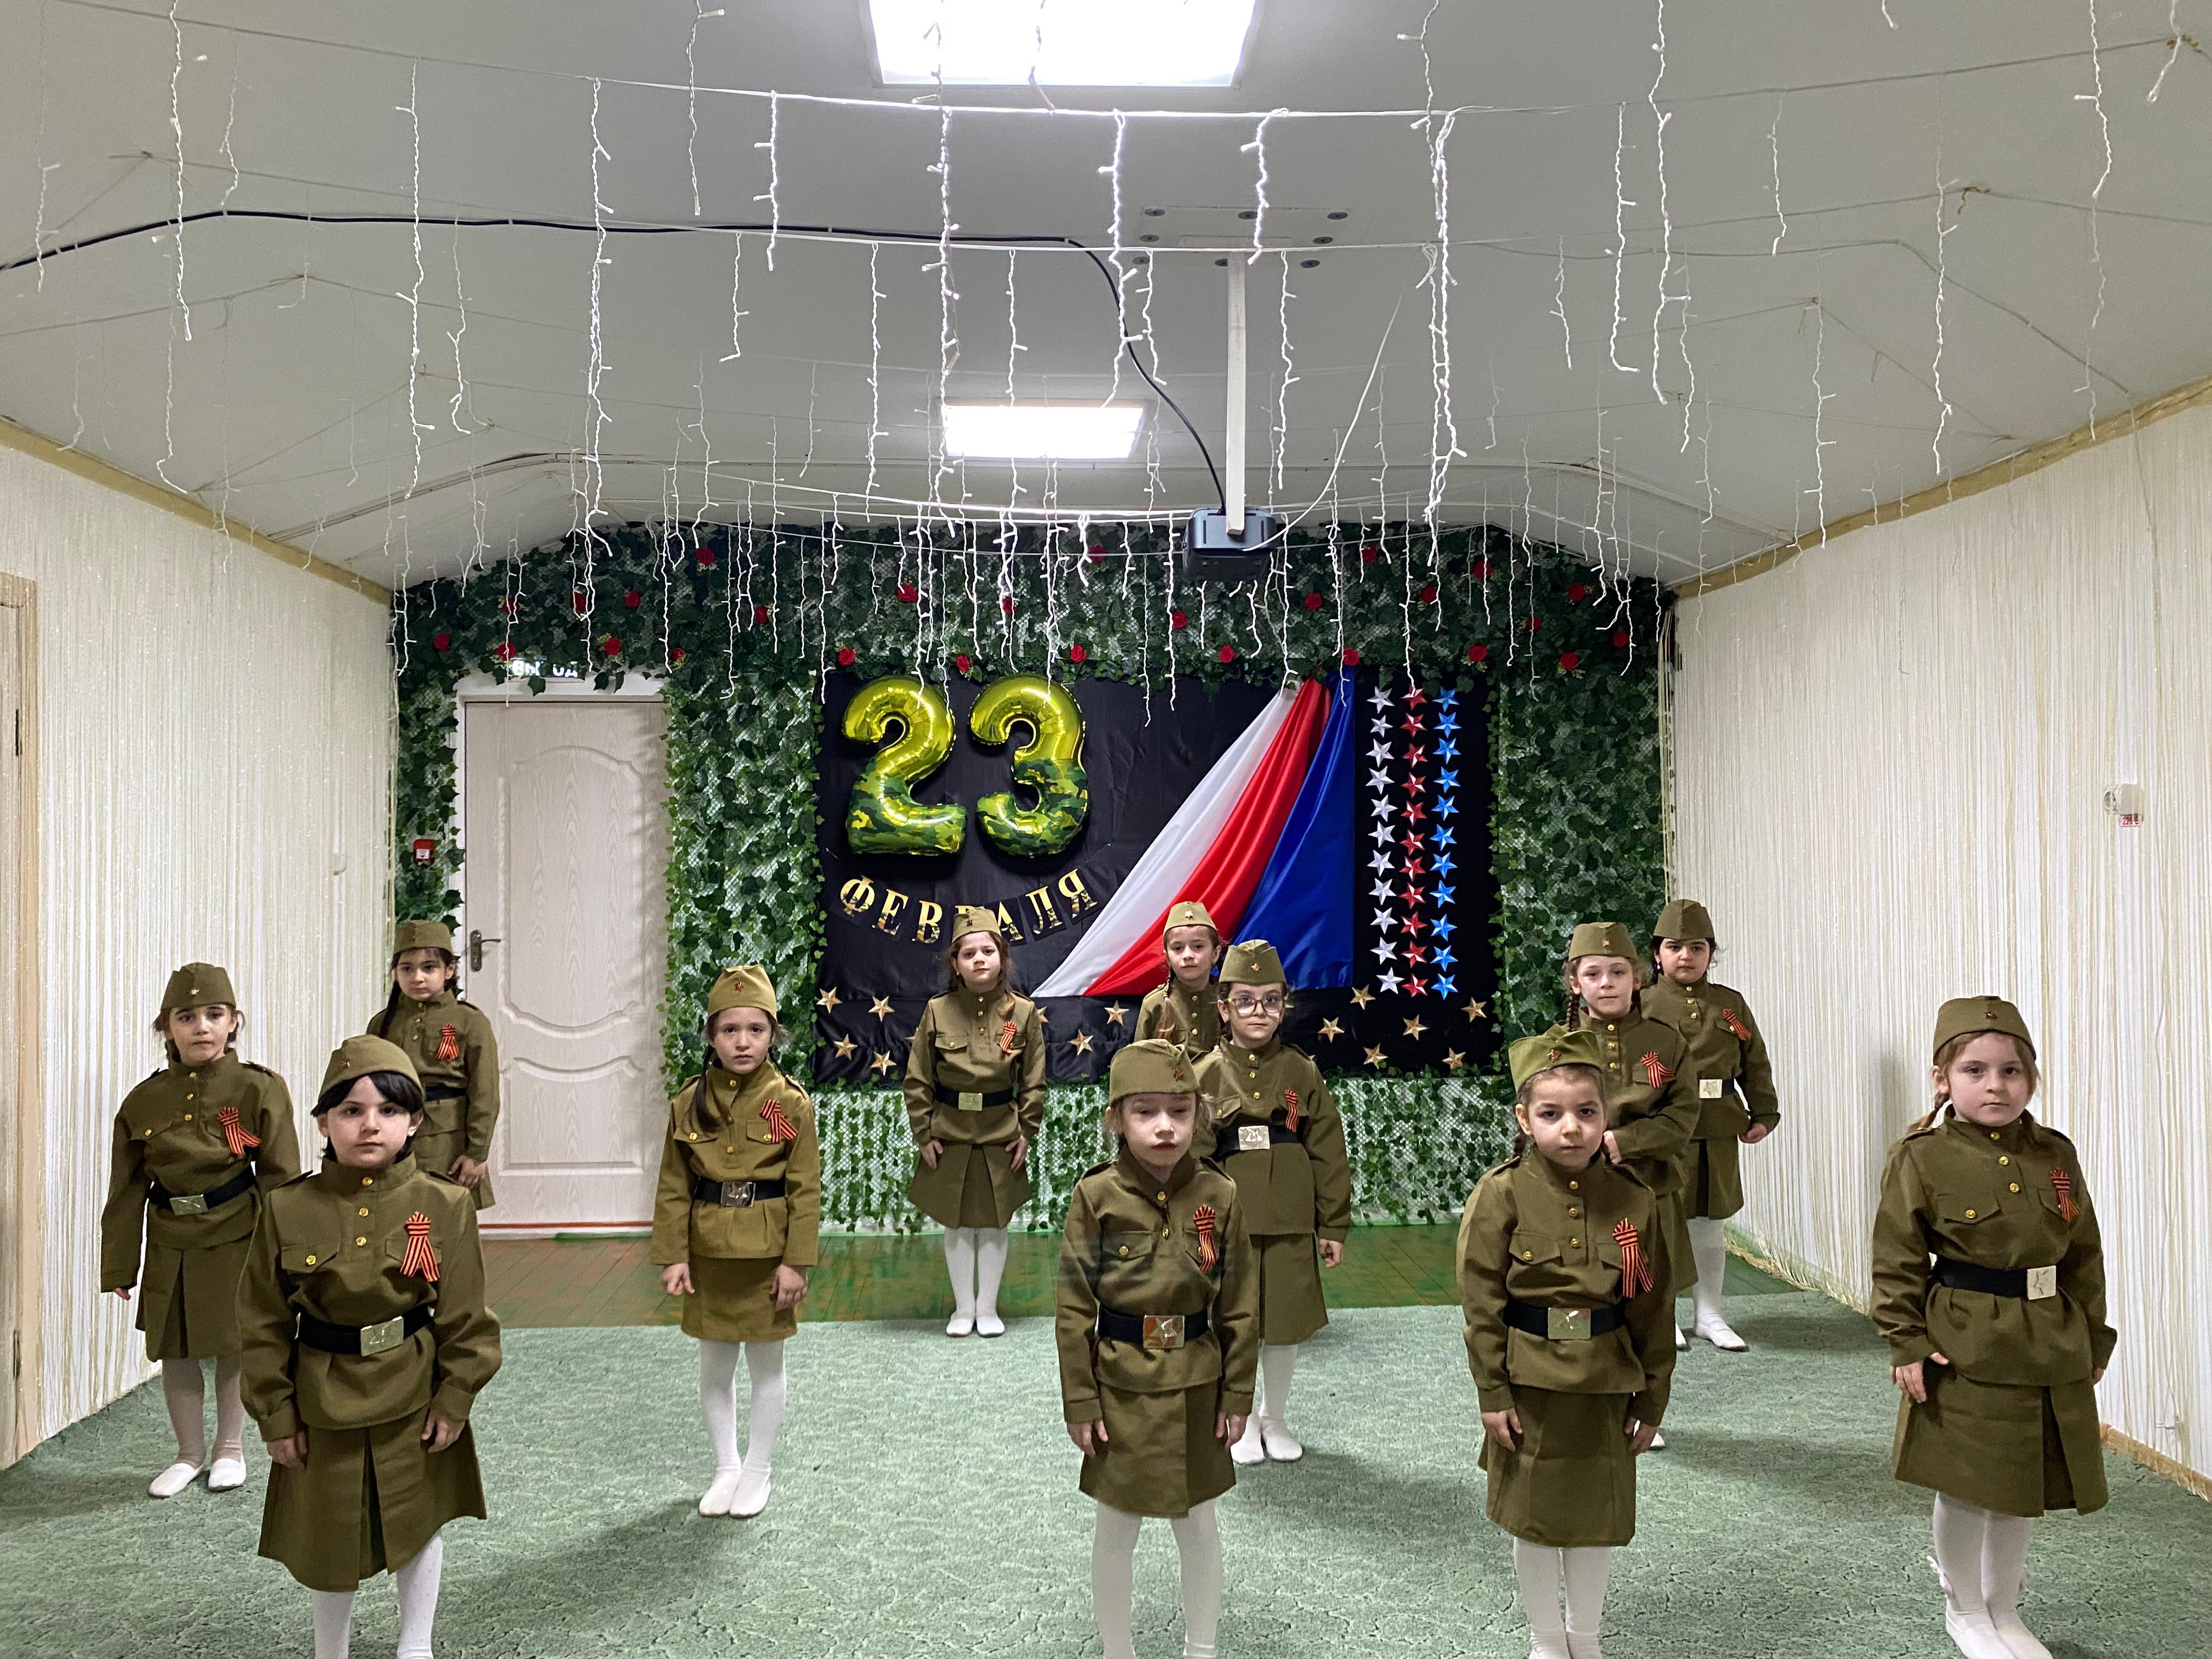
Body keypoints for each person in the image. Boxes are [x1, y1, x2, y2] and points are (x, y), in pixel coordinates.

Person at [238, 1036, 501, 1659]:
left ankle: (416, 1646)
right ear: (323, 1122)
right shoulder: (287, 1207)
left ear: (415, 1123)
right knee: (328, 1535)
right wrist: (275, 1414)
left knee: (418, 1518)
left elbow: (466, 1318)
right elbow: (261, 1321)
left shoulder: (444, 1204)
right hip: (320, 1398)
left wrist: (455, 1400)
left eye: (389, 1110)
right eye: (351, 1110)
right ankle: (330, 1651)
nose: (370, 1125)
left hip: (413, 1390)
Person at [1871, 996, 2114, 1659]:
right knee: (1968, 1481)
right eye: (1974, 1071)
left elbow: (2084, 1253)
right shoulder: (1921, 1157)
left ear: (2031, 1078)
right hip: (1963, 1340)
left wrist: (2094, 1335)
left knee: (2020, 1481)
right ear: (1942, 1079)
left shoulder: (2055, 1153)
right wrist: (1906, 1340)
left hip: (2049, 1337)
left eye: (2011, 1071)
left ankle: (2003, 1607)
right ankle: (1965, 1610)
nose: (1995, 1086)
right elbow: (1895, 1259)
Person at [1459, 1030, 1675, 1659]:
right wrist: (1492, 1391)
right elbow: (1481, 1305)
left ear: (1607, 1115)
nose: (1572, 1128)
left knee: (1595, 1521)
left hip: (1605, 1381)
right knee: (1533, 1519)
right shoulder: (1501, 1193)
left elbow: (1653, 1308)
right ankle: (1547, 1640)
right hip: (1529, 1383)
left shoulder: (1633, 1198)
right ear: (1524, 1119)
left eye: (1587, 1111)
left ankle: (1586, 1638)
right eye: (1551, 1114)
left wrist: (1653, 1398)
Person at [1057, 1039, 1259, 1659]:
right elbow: (1073, 1309)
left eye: (1180, 1110)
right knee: (1116, 1528)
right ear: (1116, 1119)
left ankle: (1202, 1649)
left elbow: (1241, 1305)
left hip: (1198, 1386)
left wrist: (1238, 1395)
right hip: (1121, 1391)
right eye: (1145, 1112)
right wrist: (1081, 1401)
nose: (1165, 1126)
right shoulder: (1097, 1197)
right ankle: (1118, 1651)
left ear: (1200, 1115)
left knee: (1198, 1526)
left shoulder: (1220, 1195)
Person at [100, 962, 300, 1497]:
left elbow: (280, 1177)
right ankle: (188, 1455)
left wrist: (288, 1253)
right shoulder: (143, 1101)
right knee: (177, 1347)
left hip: (238, 1232)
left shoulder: (257, 1088)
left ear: (234, 1021)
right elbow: (126, 1190)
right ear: (166, 1027)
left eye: (214, 1014)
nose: (201, 1027)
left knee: (234, 1343)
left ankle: (230, 1449)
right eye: (186, 1017)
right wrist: (120, 1264)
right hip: (171, 1237)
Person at [651, 965, 820, 1517]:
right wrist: (673, 1255)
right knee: (715, 1367)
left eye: (755, 1029)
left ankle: (758, 1470)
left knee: (766, 1366)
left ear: (773, 1034)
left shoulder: (785, 1103)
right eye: (729, 1030)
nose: (742, 1042)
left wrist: (797, 1263)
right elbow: (674, 1185)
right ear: (710, 1036)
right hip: (708, 1255)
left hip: (768, 1258)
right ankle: (726, 1467)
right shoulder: (690, 1102)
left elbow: (805, 1187)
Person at [1192, 939, 1350, 1464]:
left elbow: (1327, 1150)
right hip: (1227, 1218)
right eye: (1245, 1001)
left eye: (1270, 1001)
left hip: (1289, 1216)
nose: (1258, 1012)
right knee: (1232, 1320)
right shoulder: (1205, 1072)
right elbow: (1192, 1154)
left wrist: (1333, 1224)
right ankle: (1236, 1418)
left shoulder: (1301, 1071)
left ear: (1284, 1006)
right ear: (1224, 1009)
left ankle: (1274, 1417)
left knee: (1284, 1323)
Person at [1543, 921, 1701, 1367]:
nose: (1607, 983)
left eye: (1618, 972)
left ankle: (1647, 1389)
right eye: (1593, 974)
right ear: (1575, 983)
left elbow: (1683, 1117)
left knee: (1650, 1300)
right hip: (1579, 1191)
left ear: (1639, 977)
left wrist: (1625, 1141)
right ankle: (1576, 1377)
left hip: (1650, 1187)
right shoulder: (1555, 1046)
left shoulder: (1666, 1042)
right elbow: (1540, 1115)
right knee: (1581, 1290)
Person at [1639, 900, 1781, 1350]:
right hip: (1663, 1127)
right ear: (1657, 953)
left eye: (1697, 947)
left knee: (1709, 1223)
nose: (1686, 956)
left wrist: (1764, 1113)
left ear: (1711, 954)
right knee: (1663, 1223)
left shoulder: (1729, 1004)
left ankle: (1710, 1315)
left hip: (1717, 1125)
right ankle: (1662, 1315)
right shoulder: (1640, 1004)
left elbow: (1754, 1062)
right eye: (1674, 947)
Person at [903, 905, 1046, 1336]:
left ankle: (988, 1308)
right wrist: (924, 1133)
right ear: (955, 964)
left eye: (988, 951)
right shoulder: (938, 1010)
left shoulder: (1022, 1014)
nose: (979, 959)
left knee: (996, 1221)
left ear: (1003, 957)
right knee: (958, 1222)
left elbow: (1034, 1079)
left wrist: (1027, 1130)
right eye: (968, 954)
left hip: (1001, 1133)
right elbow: (918, 1078)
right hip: (950, 1133)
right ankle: (963, 1309)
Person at [366, 920, 500, 1209]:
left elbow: (485, 1093)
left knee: (446, 1215)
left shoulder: (470, 1021)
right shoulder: (382, 1023)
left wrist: (477, 1152)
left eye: (429, 968)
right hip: (395, 1136)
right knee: (392, 1214)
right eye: (407, 969)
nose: (417, 978)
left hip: (448, 1142)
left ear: (449, 971)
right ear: (395, 973)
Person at [1135, 899, 1226, 1057]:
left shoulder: (1230, 999)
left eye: (1198, 947)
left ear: (1215, 953)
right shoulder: (1155, 1004)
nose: (1188, 955)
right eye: (1178, 948)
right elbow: (1139, 1062)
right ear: (1168, 958)